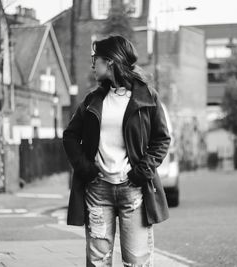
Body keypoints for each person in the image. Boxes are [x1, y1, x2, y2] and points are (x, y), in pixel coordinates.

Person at [63, 35, 171, 267]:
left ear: (110, 61)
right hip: (98, 191)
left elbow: (161, 139)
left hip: (133, 192)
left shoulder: (147, 97)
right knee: (98, 262)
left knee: (136, 262)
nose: (93, 64)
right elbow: (70, 136)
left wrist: (141, 172)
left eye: (96, 59)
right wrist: (86, 169)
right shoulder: (93, 100)